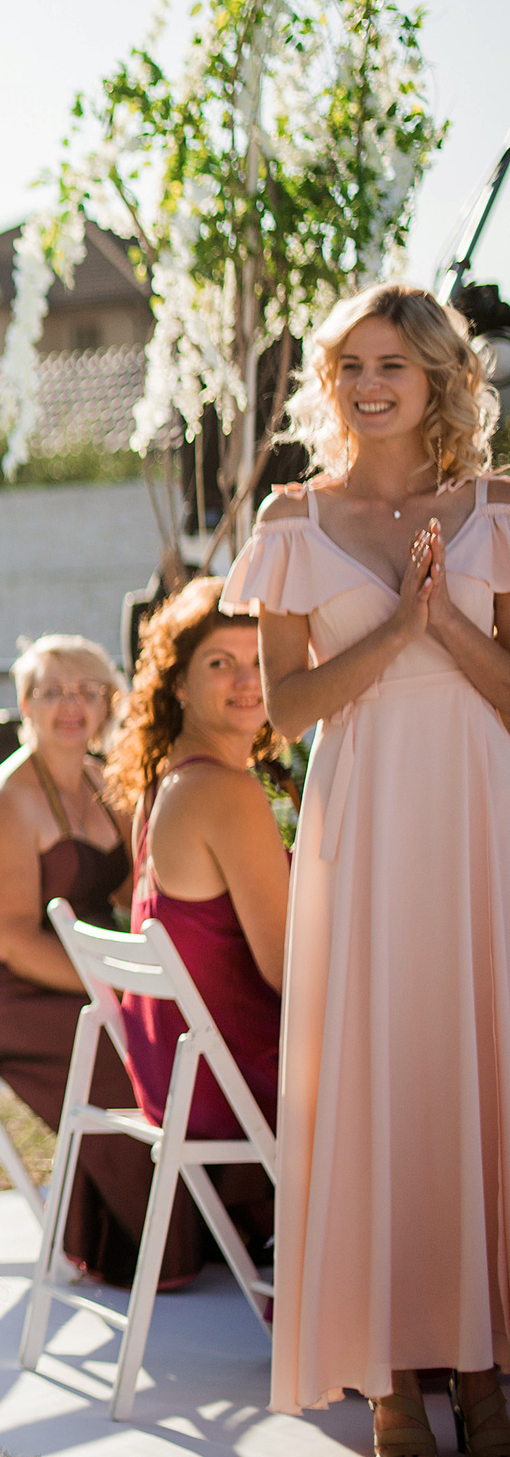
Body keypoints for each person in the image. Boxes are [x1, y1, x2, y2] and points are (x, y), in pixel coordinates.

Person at [227, 283, 510, 1451]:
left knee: (480, 1073)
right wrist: (395, 629)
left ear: (439, 373)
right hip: (365, 821)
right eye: (348, 364)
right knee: (383, 1078)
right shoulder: (292, 518)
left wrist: (444, 623)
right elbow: (285, 712)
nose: (366, 384)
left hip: (481, 816)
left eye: (390, 362)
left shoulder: (497, 506)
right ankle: (393, 1376)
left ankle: (484, 1369)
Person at [0, 634, 188, 1281]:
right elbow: (10, 939)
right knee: (125, 1050)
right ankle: (143, 1244)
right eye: (52, 691)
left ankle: (222, 1223)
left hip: (86, 974)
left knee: (183, 1032)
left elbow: (130, 894)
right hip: (8, 993)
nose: (71, 705)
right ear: (26, 704)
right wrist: (115, 991)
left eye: (87, 690)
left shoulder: (104, 782)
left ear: (110, 703)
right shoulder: (3, 801)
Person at [101, 576, 289, 1264]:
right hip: (237, 1081)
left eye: (259, 660)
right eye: (220, 662)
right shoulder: (225, 791)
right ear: (178, 682)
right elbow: (291, 973)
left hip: (175, 1077)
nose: (247, 680)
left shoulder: (166, 781)